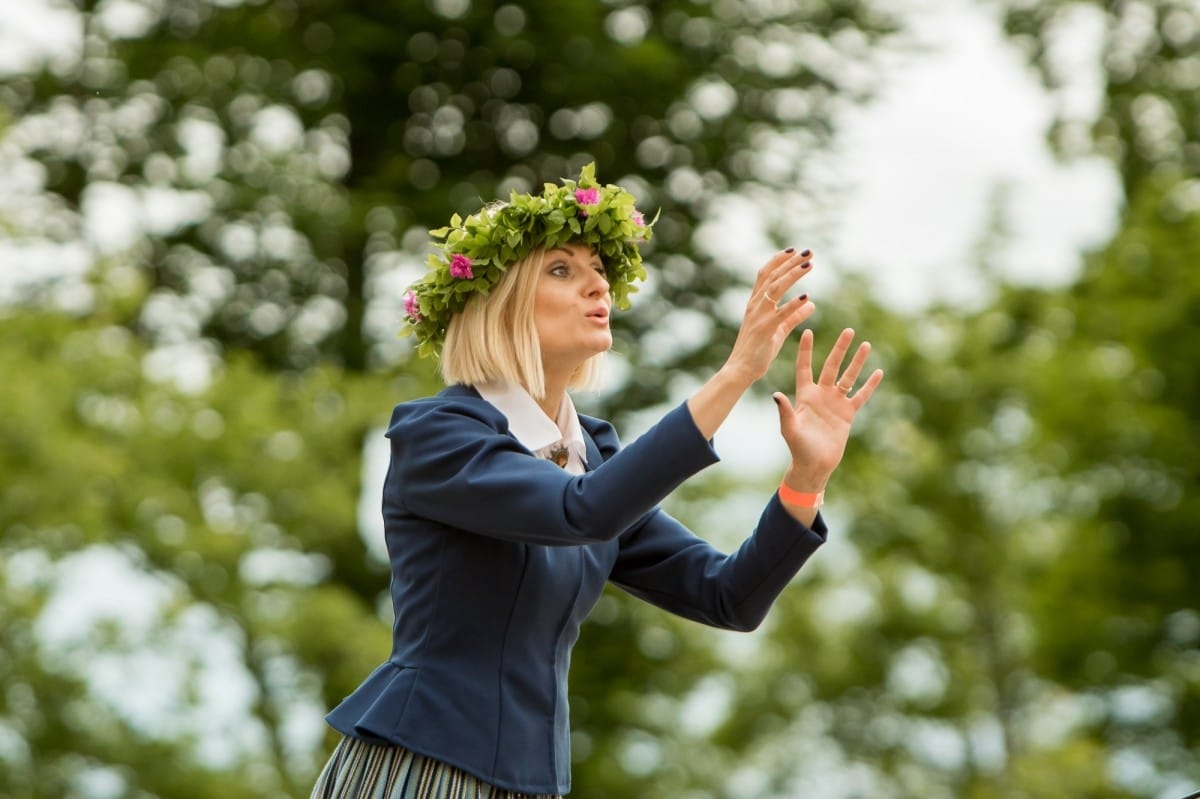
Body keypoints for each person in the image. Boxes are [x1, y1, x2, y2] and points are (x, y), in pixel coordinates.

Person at [311, 163, 883, 799]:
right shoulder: (440, 436)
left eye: (600, 272)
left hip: (533, 783)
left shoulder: (589, 454)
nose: (597, 287)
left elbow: (728, 597)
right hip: (421, 765)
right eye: (562, 270)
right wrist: (735, 374)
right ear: (498, 305)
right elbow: (581, 513)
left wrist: (806, 477)